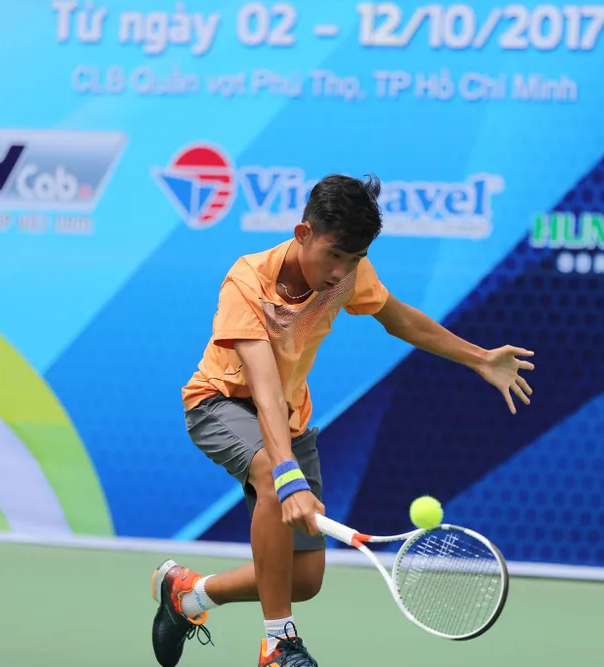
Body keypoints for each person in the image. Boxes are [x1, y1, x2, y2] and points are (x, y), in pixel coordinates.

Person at [151, 174, 534, 667]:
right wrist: (287, 475)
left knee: (303, 579)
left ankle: (188, 595)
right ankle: (278, 644)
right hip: (220, 403)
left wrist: (479, 357)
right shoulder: (247, 283)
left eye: (354, 259)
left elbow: (400, 319)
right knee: (271, 473)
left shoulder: (349, 275)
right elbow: (264, 390)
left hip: (290, 419)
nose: (340, 272)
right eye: (334, 255)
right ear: (303, 233)